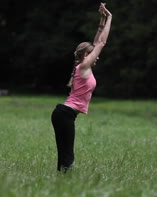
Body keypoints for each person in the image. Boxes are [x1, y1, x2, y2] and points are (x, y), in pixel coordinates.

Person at [51, 3, 112, 173]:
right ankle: (65, 178)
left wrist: (102, 18)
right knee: (67, 153)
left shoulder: (82, 66)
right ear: (86, 55)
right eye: (92, 54)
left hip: (63, 113)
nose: (96, 57)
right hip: (64, 114)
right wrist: (111, 18)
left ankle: (62, 177)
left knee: (65, 152)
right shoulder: (84, 66)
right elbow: (101, 42)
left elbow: (96, 40)